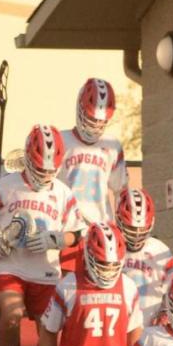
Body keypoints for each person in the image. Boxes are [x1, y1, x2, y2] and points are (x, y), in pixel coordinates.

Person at [0, 124, 82, 346]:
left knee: (50, 327)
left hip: (46, 270)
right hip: (10, 264)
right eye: (40, 169)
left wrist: (56, 239)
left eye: (50, 170)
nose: (45, 175)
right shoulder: (5, 186)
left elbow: (76, 233)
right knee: (12, 314)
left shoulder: (62, 193)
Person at [33, 222, 141, 346]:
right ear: (88, 256)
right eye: (102, 263)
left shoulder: (128, 286)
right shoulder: (68, 285)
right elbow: (49, 329)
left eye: (112, 264)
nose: (107, 269)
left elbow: (134, 333)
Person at [57, 77, 127, 243]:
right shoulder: (60, 140)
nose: (95, 125)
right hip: (68, 231)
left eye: (100, 121)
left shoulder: (112, 145)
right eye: (92, 118)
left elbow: (121, 192)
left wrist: (123, 231)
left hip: (101, 232)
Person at [114, 187, 173, 327]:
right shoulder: (110, 246)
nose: (136, 234)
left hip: (148, 327)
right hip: (116, 327)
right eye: (131, 228)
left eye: (141, 229)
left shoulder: (160, 251)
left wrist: (165, 312)